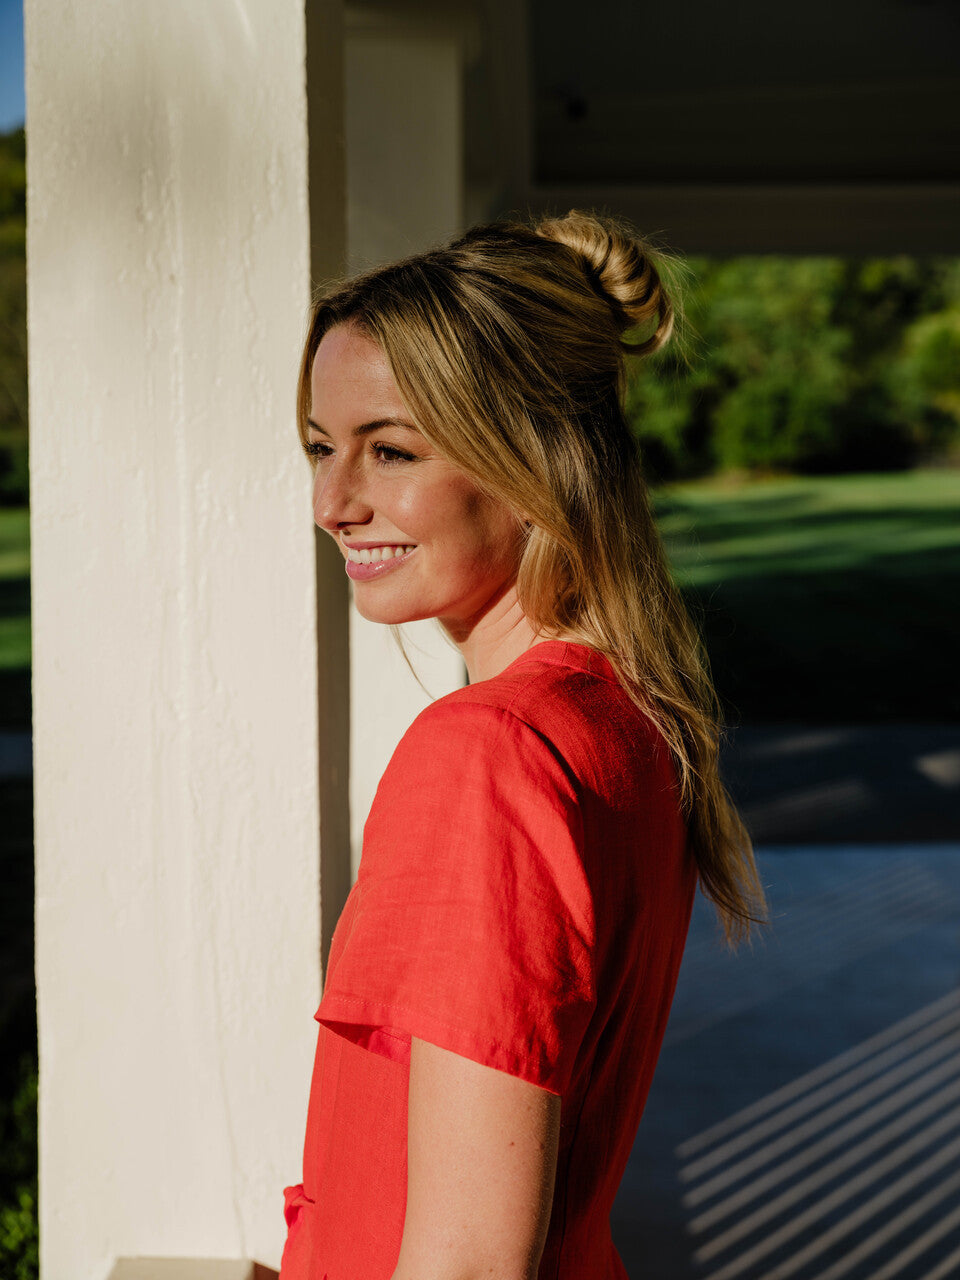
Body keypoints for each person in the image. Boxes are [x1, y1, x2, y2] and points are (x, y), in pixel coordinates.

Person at [279, 210, 766, 1280]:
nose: (330, 501)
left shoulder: (488, 752)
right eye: (320, 446)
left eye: (389, 449)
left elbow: (465, 1262)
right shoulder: (622, 715)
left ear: (531, 456)